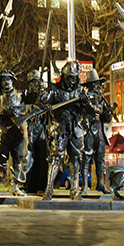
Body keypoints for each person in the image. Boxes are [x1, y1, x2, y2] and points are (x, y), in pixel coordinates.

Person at [42, 61, 88, 201]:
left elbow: (89, 112)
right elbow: (43, 101)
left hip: (75, 128)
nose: (71, 80)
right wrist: (44, 98)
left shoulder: (80, 91)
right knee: (55, 159)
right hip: (59, 128)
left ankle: (74, 190)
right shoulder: (54, 90)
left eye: (73, 78)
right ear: (63, 76)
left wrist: (85, 102)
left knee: (75, 159)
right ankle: (49, 189)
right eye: (69, 77)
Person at [0, 70, 28, 196]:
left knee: (18, 159)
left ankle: (15, 186)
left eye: (8, 79)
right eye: (3, 80)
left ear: (13, 81)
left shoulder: (21, 95)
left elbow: (34, 100)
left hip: (18, 131)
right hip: (3, 130)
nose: (6, 82)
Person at [81, 69, 113, 194]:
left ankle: (100, 183)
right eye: (93, 84)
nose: (96, 86)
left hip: (99, 129)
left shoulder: (101, 99)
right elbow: (82, 114)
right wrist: (87, 105)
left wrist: (108, 113)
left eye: (97, 84)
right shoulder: (83, 99)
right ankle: (84, 186)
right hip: (88, 130)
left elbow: (106, 119)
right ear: (88, 86)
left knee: (100, 158)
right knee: (86, 157)